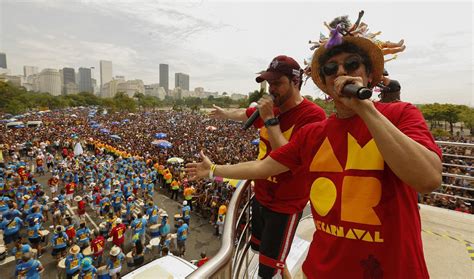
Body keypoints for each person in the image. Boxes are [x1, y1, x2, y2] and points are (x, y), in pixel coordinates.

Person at [186, 13, 442, 278]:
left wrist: (367, 111)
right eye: (331, 69)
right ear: (326, 84)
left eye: (352, 65)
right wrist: (214, 169)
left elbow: (428, 179)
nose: (341, 73)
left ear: (369, 77)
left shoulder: (401, 115)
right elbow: (264, 167)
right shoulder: (314, 134)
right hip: (321, 269)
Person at [210, 55, 326, 278]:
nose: (272, 89)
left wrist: (271, 120)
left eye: (277, 83)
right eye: (269, 83)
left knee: (268, 270)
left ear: (295, 82)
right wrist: (224, 113)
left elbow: (287, 159)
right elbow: (243, 113)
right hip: (260, 195)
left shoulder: (312, 116)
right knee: (262, 252)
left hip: (284, 205)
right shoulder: (272, 107)